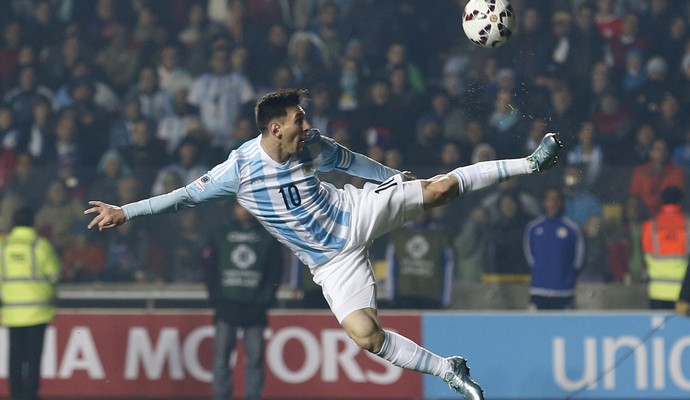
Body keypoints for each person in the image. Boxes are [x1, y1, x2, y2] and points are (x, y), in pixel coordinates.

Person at [84, 88, 563, 400]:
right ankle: (449, 369)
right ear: (275, 128)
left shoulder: (312, 143)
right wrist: (126, 211)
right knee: (365, 336)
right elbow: (184, 197)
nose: (306, 124)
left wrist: (393, 178)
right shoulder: (240, 169)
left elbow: (351, 161)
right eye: (298, 118)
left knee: (438, 190)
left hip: (356, 211)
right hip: (329, 262)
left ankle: (530, 163)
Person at [203, 201, 282, 400]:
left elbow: (275, 270)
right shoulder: (219, 233)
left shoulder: (268, 235)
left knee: (254, 360)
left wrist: (265, 300)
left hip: (255, 307)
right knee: (221, 360)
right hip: (226, 305)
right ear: (233, 208)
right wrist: (216, 300)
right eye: (240, 206)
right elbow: (210, 269)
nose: (244, 211)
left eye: (247, 206)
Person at [0, 207, 62, 400]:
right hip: (38, 310)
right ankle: (30, 394)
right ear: (32, 222)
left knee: (15, 355)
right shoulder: (39, 245)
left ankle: (15, 394)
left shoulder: (4, 246)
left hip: (12, 311)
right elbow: (54, 273)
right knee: (34, 356)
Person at [524, 187, 584, 310]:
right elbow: (530, 258)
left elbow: (578, 260)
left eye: (556, 200)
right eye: (549, 200)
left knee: (565, 328)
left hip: (564, 292)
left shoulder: (572, 229)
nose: (553, 203)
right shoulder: (533, 228)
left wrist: (567, 278)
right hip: (538, 291)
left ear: (561, 203)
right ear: (544, 202)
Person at [641, 186, 689, 309]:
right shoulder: (688, 225)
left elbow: (645, 257)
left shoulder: (649, 226)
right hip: (684, 295)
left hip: (658, 292)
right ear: (681, 202)